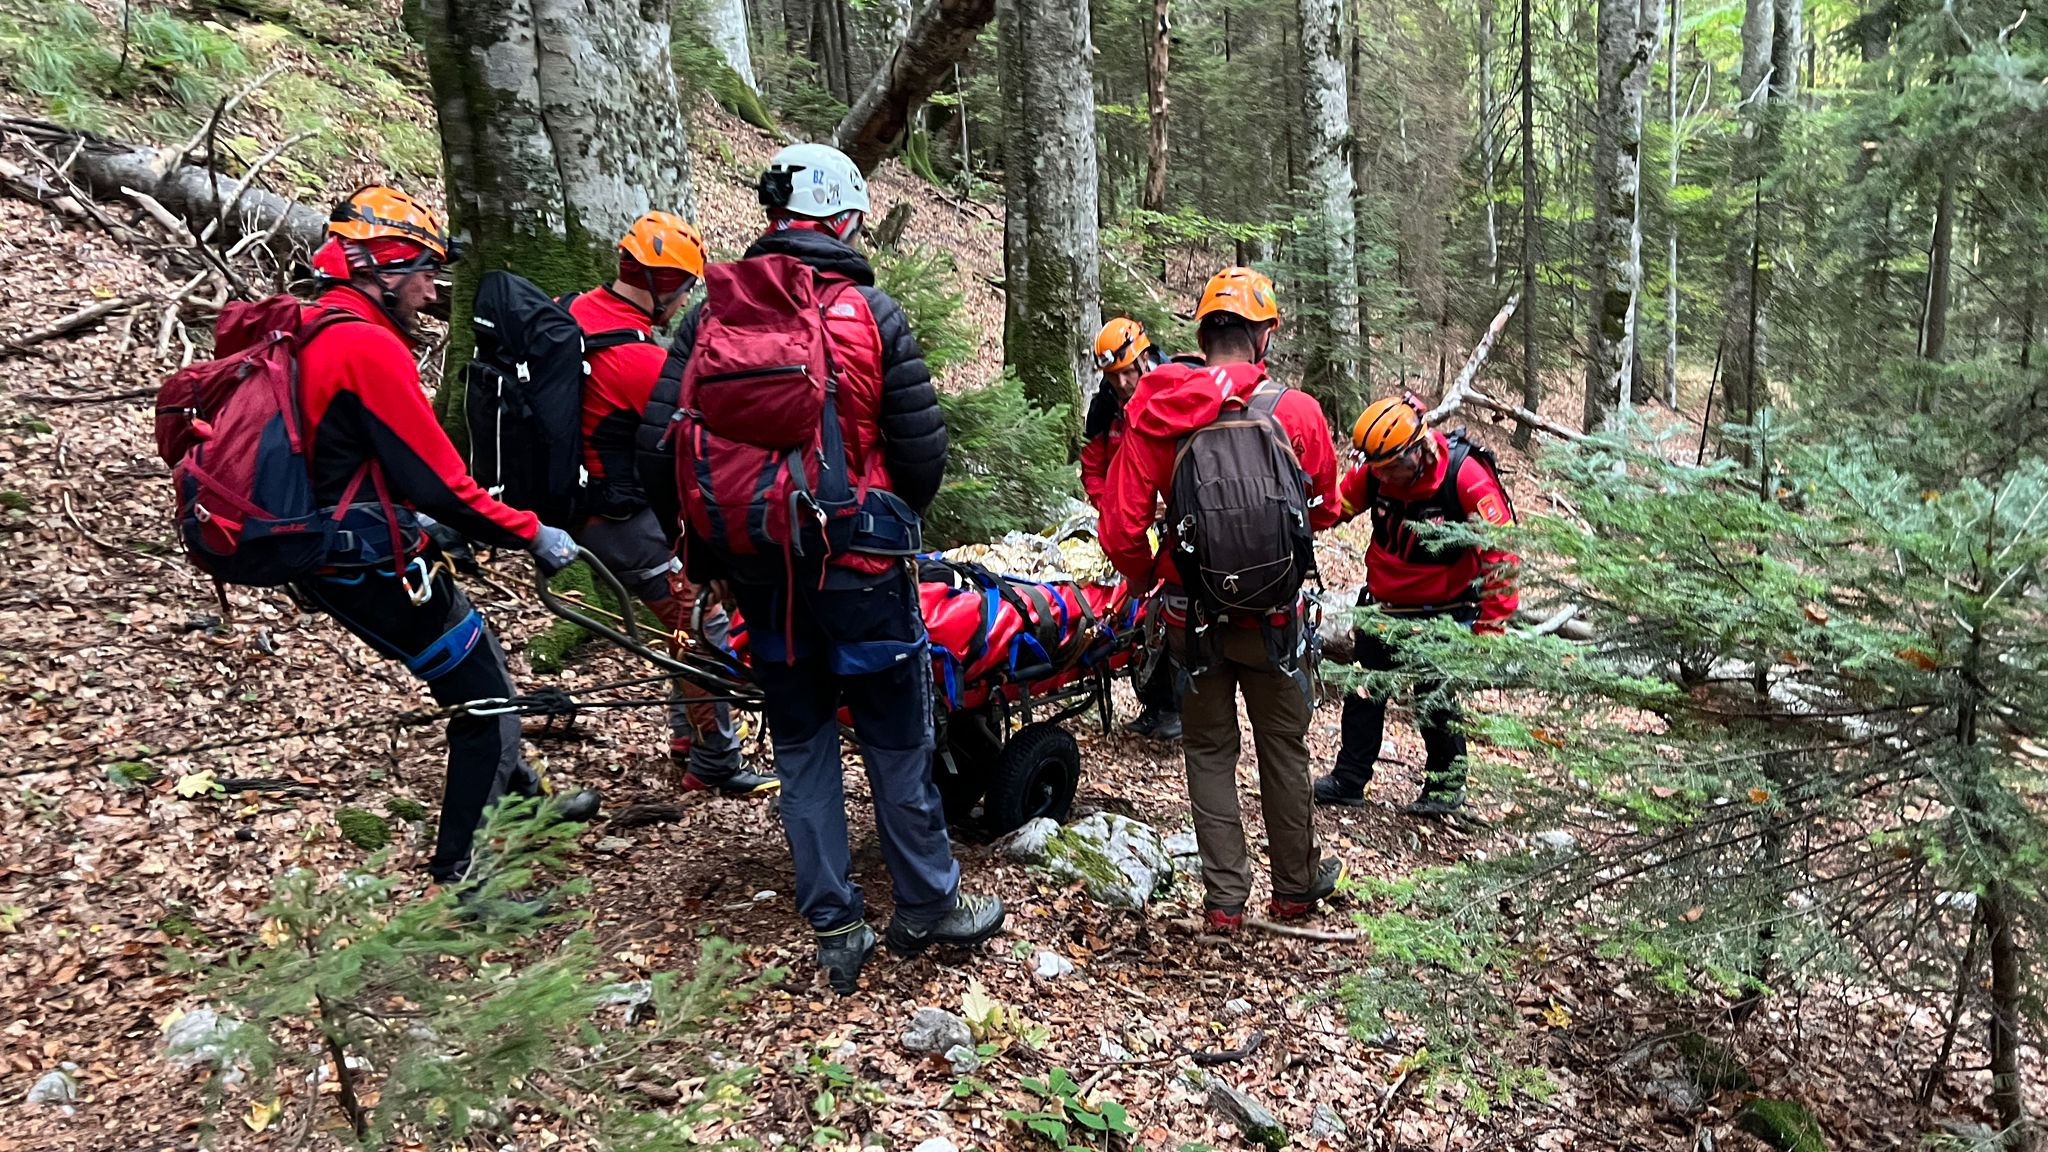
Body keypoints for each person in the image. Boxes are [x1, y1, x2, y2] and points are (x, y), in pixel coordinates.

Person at [639, 143, 1004, 993]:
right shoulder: (872, 312)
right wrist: (882, 521)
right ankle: (925, 905)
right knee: (895, 738)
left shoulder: (709, 320)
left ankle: (836, 924)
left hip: (760, 572)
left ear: (775, 219)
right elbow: (920, 458)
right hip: (863, 569)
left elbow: (659, 454)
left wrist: (712, 555)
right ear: (844, 220)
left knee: (801, 743)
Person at [298, 185, 593, 884]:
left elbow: (360, 457)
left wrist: (418, 514)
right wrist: (533, 533)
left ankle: (526, 806)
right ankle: (463, 876)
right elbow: (442, 484)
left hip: (348, 540)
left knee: (479, 667)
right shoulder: (366, 348)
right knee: (484, 701)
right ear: (383, 268)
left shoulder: (319, 328)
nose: (432, 292)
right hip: (361, 558)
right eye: (426, 271)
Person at [1098, 266, 1347, 933]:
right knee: (1284, 751)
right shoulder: (1296, 412)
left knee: (1209, 751)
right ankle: (1294, 890)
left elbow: (1119, 527)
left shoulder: (1155, 414)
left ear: (1202, 334)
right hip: (1275, 616)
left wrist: (1156, 573)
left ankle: (1225, 904)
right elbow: (1323, 508)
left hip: (1192, 614)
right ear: (1263, 335)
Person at [568, 211, 775, 797]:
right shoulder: (637, 360)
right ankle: (714, 760)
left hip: (595, 503)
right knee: (700, 619)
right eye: (684, 289)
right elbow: (691, 434)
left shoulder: (581, 311)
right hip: (613, 515)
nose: (685, 302)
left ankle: (688, 735)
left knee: (682, 618)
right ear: (664, 284)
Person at [1313, 395, 1520, 816]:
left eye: (1391, 468)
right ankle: (1350, 779)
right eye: (1377, 470)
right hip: (1383, 604)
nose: (1383, 477)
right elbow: (1339, 506)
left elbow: (1503, 556)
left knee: (1435, 701)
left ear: (1418, 451)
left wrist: (1490, 629)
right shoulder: (1376, 472)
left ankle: (1445, 790)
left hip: (1444, 612)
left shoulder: (1466, 476)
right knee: (1364, 691)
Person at [1082, 317, 1180, 741]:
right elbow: (1093, 465)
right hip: (1131, 525)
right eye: (1112, 375)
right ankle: (1155, 702)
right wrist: (1113, 510)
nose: (1122, 383)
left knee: (1174, 611)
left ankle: (1178, 707)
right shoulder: (1106, 404)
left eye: (1127, 372)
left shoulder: (1177, 387)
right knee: (1139, 615)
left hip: (1177, 522)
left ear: (1144, 356)